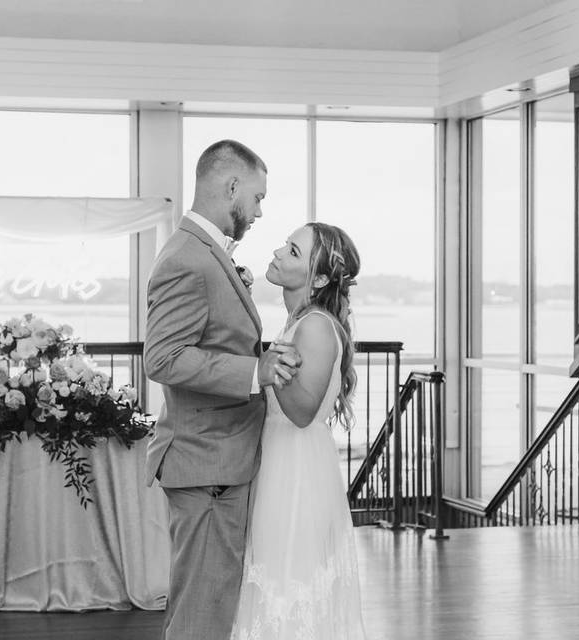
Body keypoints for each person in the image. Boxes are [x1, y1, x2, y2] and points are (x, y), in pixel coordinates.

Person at [143, 139, 302, 640]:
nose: (259, 211)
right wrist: (254, 372)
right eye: (256, 197)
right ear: (231, 186)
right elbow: (163, 357)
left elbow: (211, 333)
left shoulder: (205, 252)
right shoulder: (188, 257)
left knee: (205, 609)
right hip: (207, 462)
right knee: (202, 617)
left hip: (218, 459)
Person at [230, 222, 368, 640]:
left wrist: (266, 367)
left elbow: (304, 412)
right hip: (277, 459)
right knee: (274, 579)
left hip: (295, 471)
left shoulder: (316, 327)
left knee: (288, 581)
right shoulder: (297, 322)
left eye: (292, 252)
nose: (277, 252)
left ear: (320, 278)